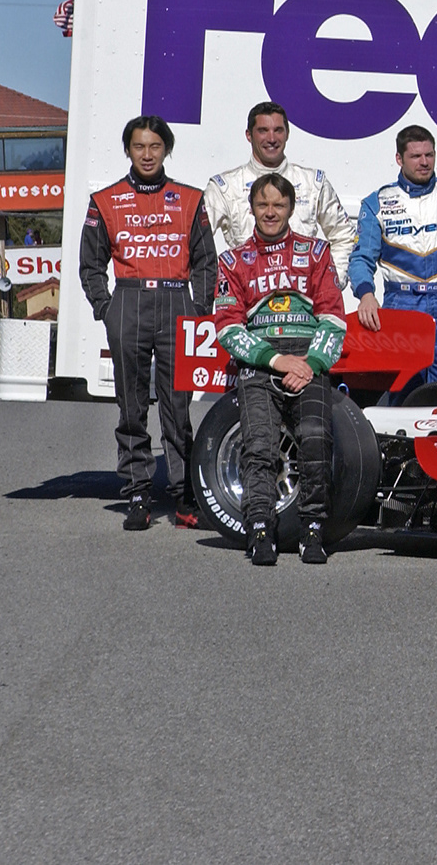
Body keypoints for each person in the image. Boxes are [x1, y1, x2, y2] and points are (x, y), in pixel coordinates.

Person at [78, 115, 216, 531]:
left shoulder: (190, 198)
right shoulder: (106, 199)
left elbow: (206, 261)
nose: (147, 154)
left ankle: (184, 495)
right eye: (139, 146)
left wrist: (200, 310)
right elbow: (90, 265)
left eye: (155, 146)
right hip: (130, 302)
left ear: (166, 149)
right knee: (132, 406)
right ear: (128, 150)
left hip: (177, 303)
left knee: (177, 407)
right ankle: (137, 493)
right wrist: (107, 308)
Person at [211, 174, 347, 567]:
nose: (270, 212)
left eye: (279, 205)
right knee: (260, 447)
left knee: (315, 440)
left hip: (308, 358)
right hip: (260, 360)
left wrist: (310, 364)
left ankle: (312, 530)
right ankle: (259, 530)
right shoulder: (233, 261)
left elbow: (333, 318)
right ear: (251, 208)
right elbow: (228, 327)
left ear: (291, 208)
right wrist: (275, 360)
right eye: (263, 205)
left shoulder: (317, 253)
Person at [347, 126, 437, 391]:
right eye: (416, 156)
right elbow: (361, 258)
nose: (424, 162)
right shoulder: (378, 203)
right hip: (401, 302)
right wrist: (365, 294)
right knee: (402, 390)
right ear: (399, 159)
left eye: (429, 155)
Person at [204, 101, 358, 283]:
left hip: (303, 300)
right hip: (248, 300)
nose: (271, 138)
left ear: (287, 134)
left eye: (278, 130)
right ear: (249, 135)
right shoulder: (225, 187)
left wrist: (330, 283)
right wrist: (222, 287)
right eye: (263, 131)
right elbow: (196, 244)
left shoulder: (313, 182)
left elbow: (345, 237)